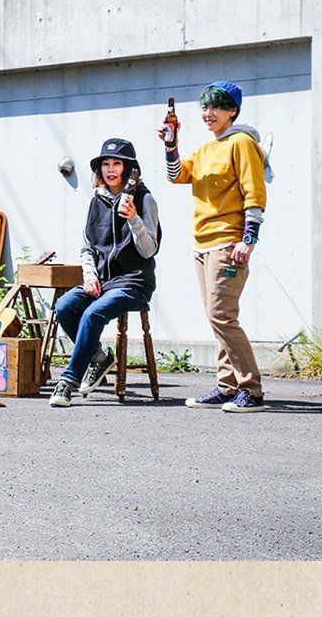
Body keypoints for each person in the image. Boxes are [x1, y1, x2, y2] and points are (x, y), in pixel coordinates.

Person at [159, 81, 267, 413]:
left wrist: (249, 239)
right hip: (202, 244)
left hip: (228, 243)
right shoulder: (206, 149)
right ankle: (227, 386)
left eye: (216, 107)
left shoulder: (242, 143)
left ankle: (251, 390)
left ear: (233, 110)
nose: (209, 113)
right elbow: (176, 175)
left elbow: (254, 191)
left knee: (222, 315)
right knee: (216, 317)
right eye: (205, 107)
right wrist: (171, 145)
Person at [50, 139, 161, 407]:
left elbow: (149, 250)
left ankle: (68, 382)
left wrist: (134, 219)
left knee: (93, 313)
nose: (110, 169)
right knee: (64, 307)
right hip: (102, 281)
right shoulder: (96, 202)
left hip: (134, 282)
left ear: (129, 169)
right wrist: (90, 276)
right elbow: (88, 247)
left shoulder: (144, 199)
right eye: (106, 164)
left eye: (117, 164)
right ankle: (99, 359)